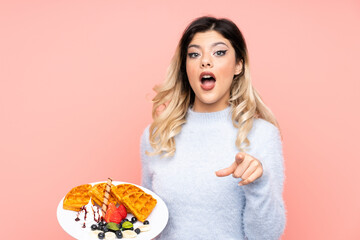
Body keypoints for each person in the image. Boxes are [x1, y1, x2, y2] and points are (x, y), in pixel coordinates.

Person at [140, 16, 286, 240]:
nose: (205, 61)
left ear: (238, 65)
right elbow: (148, 225)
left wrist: (258, 182)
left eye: (219, 52)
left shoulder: (262, 134)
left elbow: (266, 236)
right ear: (184, 67)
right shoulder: (156, 136)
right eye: (194, 54)